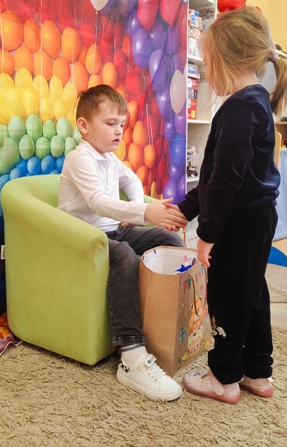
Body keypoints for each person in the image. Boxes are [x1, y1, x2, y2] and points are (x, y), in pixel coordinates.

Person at [176, 6, 287, 404]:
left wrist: (207, 234)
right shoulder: (256, 101)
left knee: (227, 297)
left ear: (227, 60)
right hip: (256, 218)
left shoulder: (240, 108)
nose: (206, 72)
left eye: (208, 61)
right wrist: (186, 208)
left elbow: (225, 180)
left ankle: (224, 377)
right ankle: (257, 372)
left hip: (237, 223)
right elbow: (219, 176)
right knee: (251, 293)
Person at [58, 84, 188, 401]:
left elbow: (132, 181)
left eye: (121, 124)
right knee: (124, 254)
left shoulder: (109, 159)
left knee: (169, 239)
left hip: (113, 231)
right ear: (84, 125)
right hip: (82, 238)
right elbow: (98, 202)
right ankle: (131, 354)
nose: (119, 131)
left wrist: (137, 209)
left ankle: (168, 321)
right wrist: (144, 212)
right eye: (110, 123)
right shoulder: (79, 159)